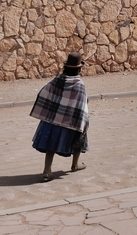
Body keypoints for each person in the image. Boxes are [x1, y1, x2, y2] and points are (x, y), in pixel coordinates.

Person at [30, 52, 89, 181]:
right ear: (79, 69)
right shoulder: (79, 84)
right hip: (70, 120)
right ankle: (75, 164)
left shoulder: (57, 80)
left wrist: (52, 108)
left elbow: (44, 91)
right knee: (80, 133)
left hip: (53, 118)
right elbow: (82, 104)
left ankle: (47, 170)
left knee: (51, 141)